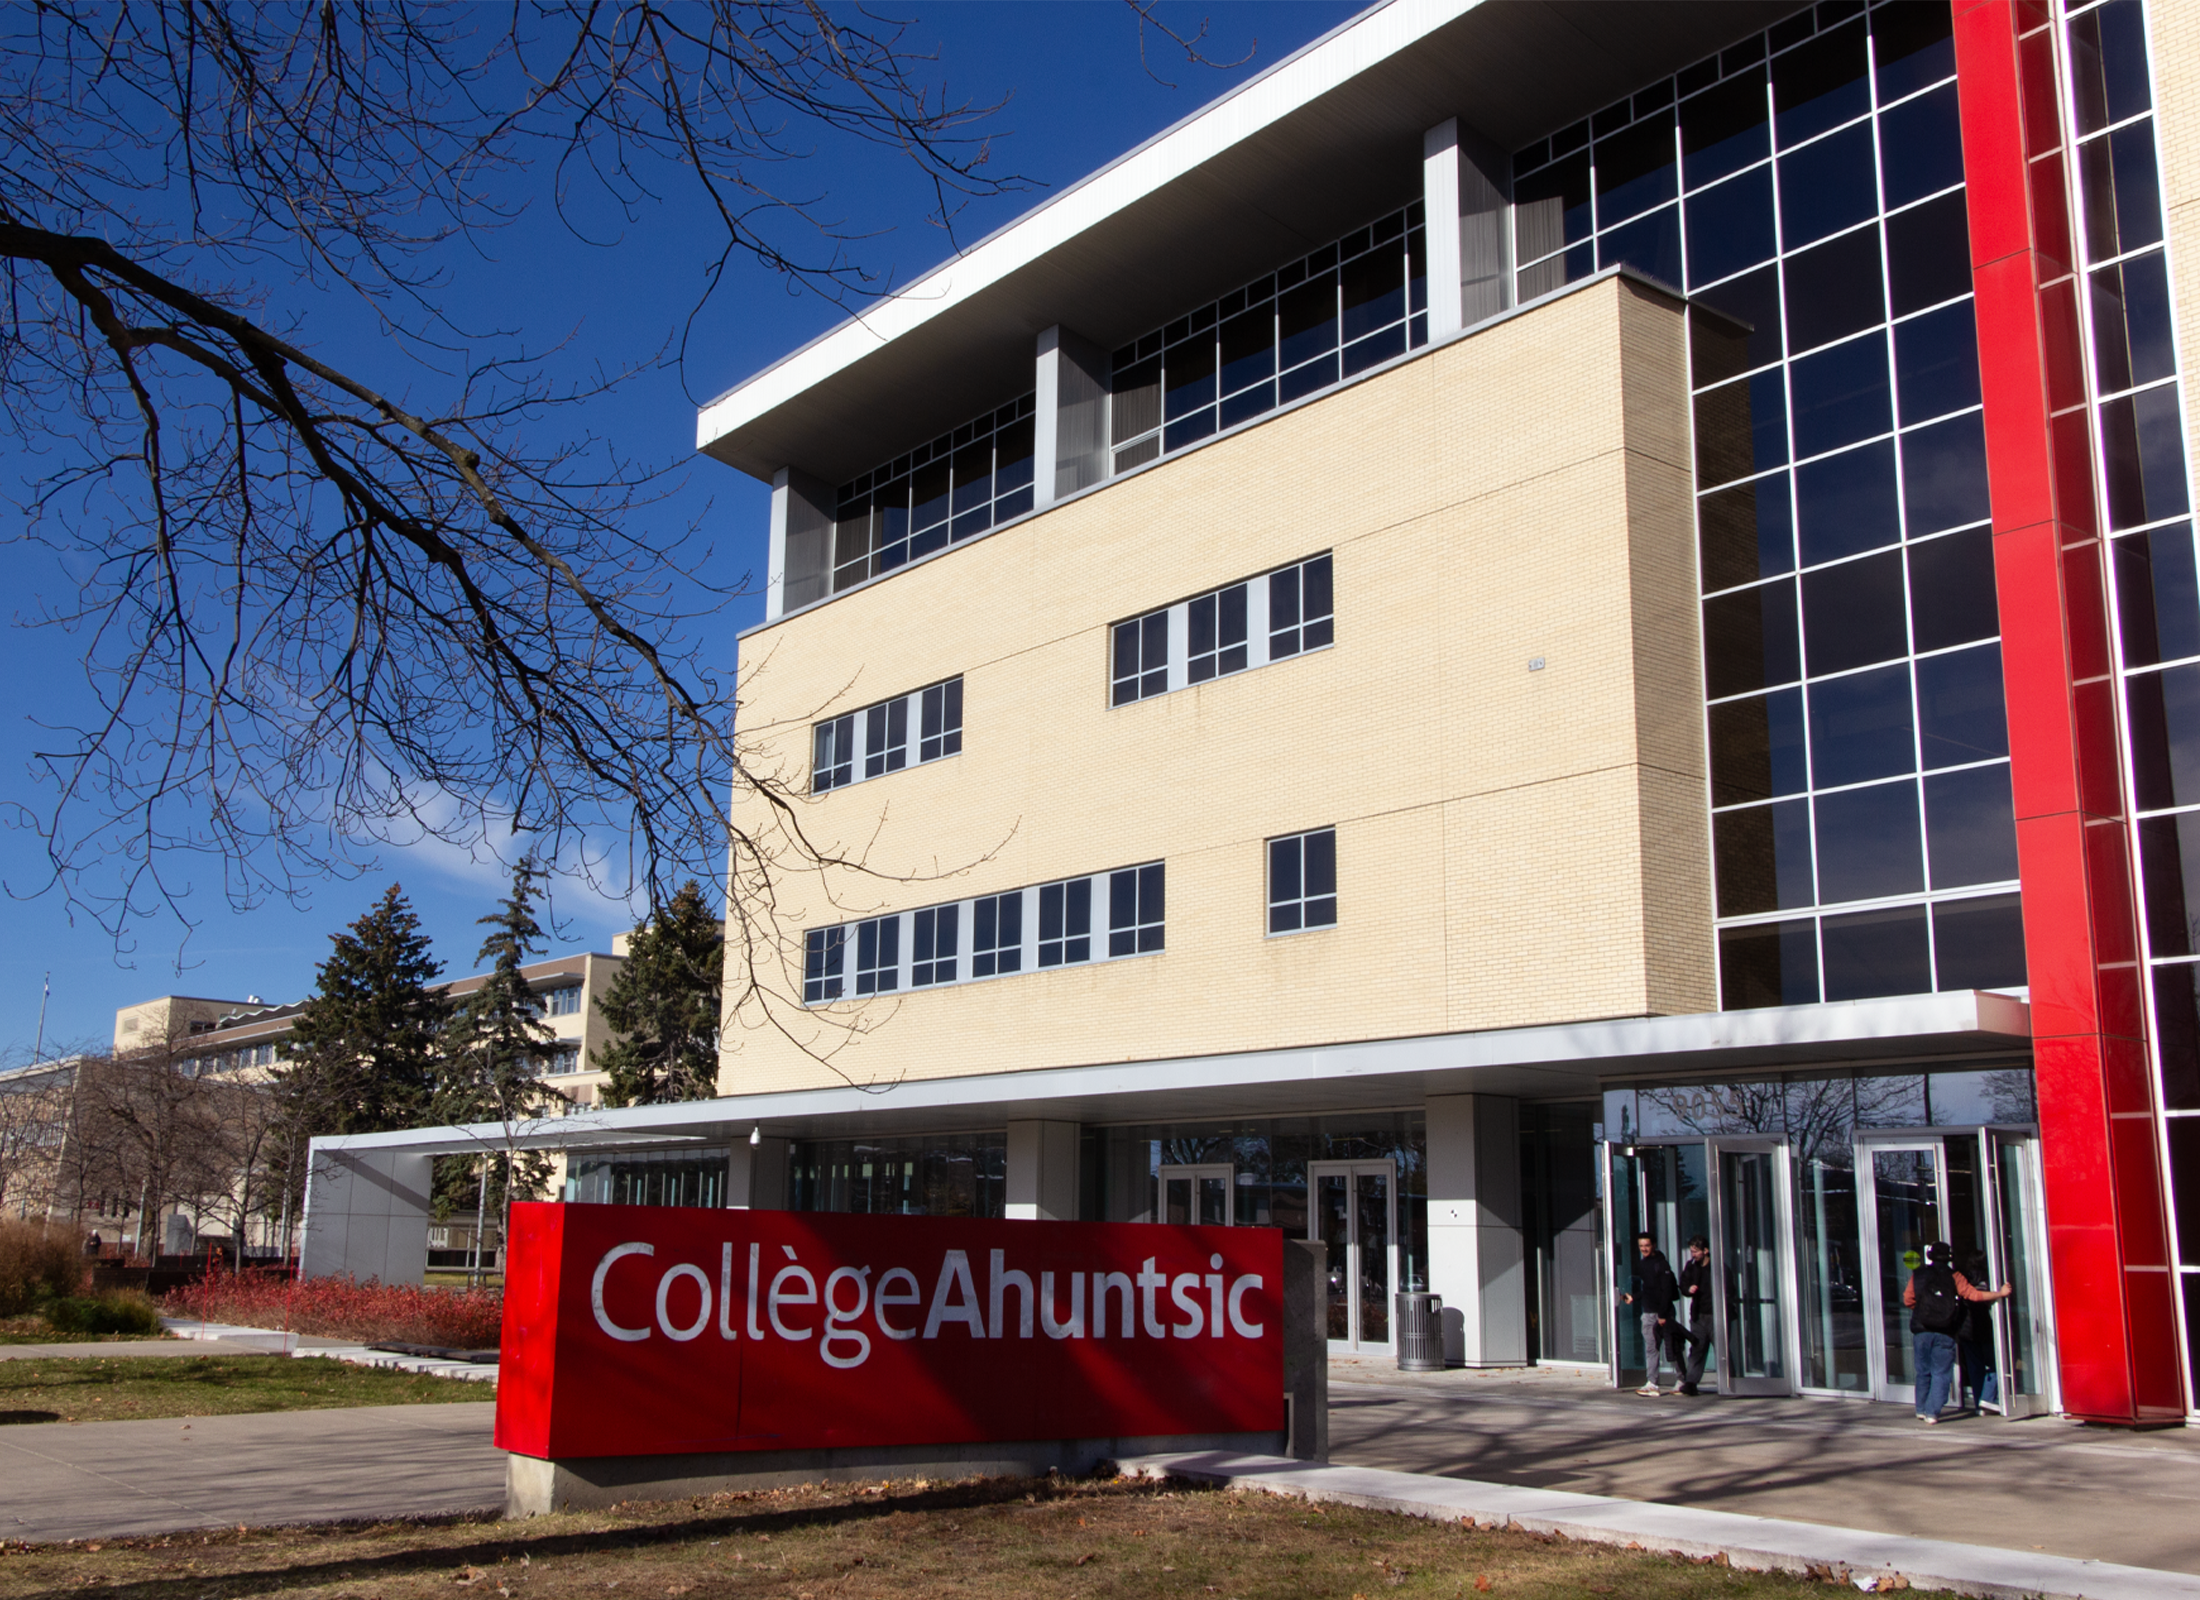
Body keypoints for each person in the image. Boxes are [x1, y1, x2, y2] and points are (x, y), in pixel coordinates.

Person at [1902, 1241, 2012, 1423]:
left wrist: (1923, 1311)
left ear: (1930, 1256)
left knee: (1923, 1371)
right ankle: (1932, 1413)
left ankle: (1920, 1409)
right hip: (1945, 1330)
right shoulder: (1955, 1276)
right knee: (1941, 1373)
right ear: (1948, 1258)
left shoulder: (1918, 1275)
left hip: (1921, 1330)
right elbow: (1974, 1295)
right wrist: (1999, 1294)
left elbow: (1908, 1300)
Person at [1621, 1231, 1680, 1395]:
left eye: (1647, 1245)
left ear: (1654, 1245)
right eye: (1641, 1246)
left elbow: (1667, 1291)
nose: (1644, 1249)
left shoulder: (1661, 1264)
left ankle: (1682, 1379)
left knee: (1671, 1347)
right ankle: (1652, 1382)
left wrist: (1662, 1314)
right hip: (1648, 1312)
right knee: (1651, 1348)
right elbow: (1648, 1290)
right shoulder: (1643, 1264)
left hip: (1663, 1313)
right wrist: (1634, 1297)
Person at [1955, 1246, 2010, 1413]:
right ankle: (1987, 1398)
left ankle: (1981, 1401)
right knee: (1996, 1364)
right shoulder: (1990, 1278)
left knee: (1975, 1367)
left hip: (1965, 1328)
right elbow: (1977, 1297)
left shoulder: (1962, 1278)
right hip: (1983, 1328)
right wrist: (2000, 1294)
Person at [1676, 1234, 1713, 1395]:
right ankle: (1691, 1383)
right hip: (1698, 1314)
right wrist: (1688, 1289)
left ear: (1706, 1251)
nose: (1693, 1255)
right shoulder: (1691, 1267)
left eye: (1696, 1251)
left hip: (1715, 1314)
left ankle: (1732, 1381)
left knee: (1723, 1349)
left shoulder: (1716, 1267)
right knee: (1697, 1348)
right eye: (1692, 1251)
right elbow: (1683, 1284)